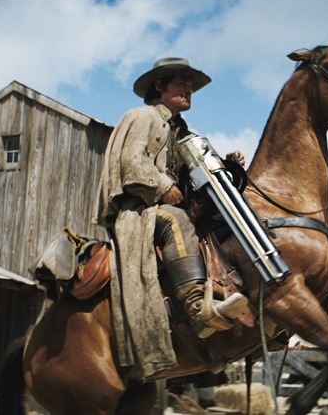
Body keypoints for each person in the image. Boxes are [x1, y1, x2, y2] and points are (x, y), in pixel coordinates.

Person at [94, 57, 248, 379]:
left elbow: (194, 171)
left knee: (224, 221)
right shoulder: (141, 117)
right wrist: (164, 187)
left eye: (191, 86)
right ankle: (196, 308)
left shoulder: (180, 131)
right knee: (177, 220)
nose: (189, 89)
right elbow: (131, 164)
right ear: (160, 86)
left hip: (167, 205)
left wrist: (226, 161)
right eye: (182, 83)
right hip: (138, 210)